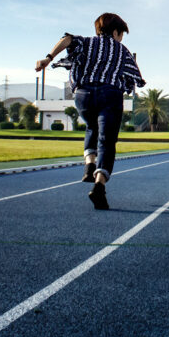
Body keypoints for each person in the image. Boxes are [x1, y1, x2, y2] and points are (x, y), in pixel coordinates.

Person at [36, 13, 145, 210]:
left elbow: (67, 39)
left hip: (83, 94)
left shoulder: (85, 42)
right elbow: (134, 76)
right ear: (115, 32)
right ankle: (99, 186)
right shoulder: (122, 50)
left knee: (91, 128)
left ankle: (89, 164)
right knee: (107, 140)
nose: (121, 39)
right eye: (121, 34)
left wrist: (48, 58)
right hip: (109, 94)